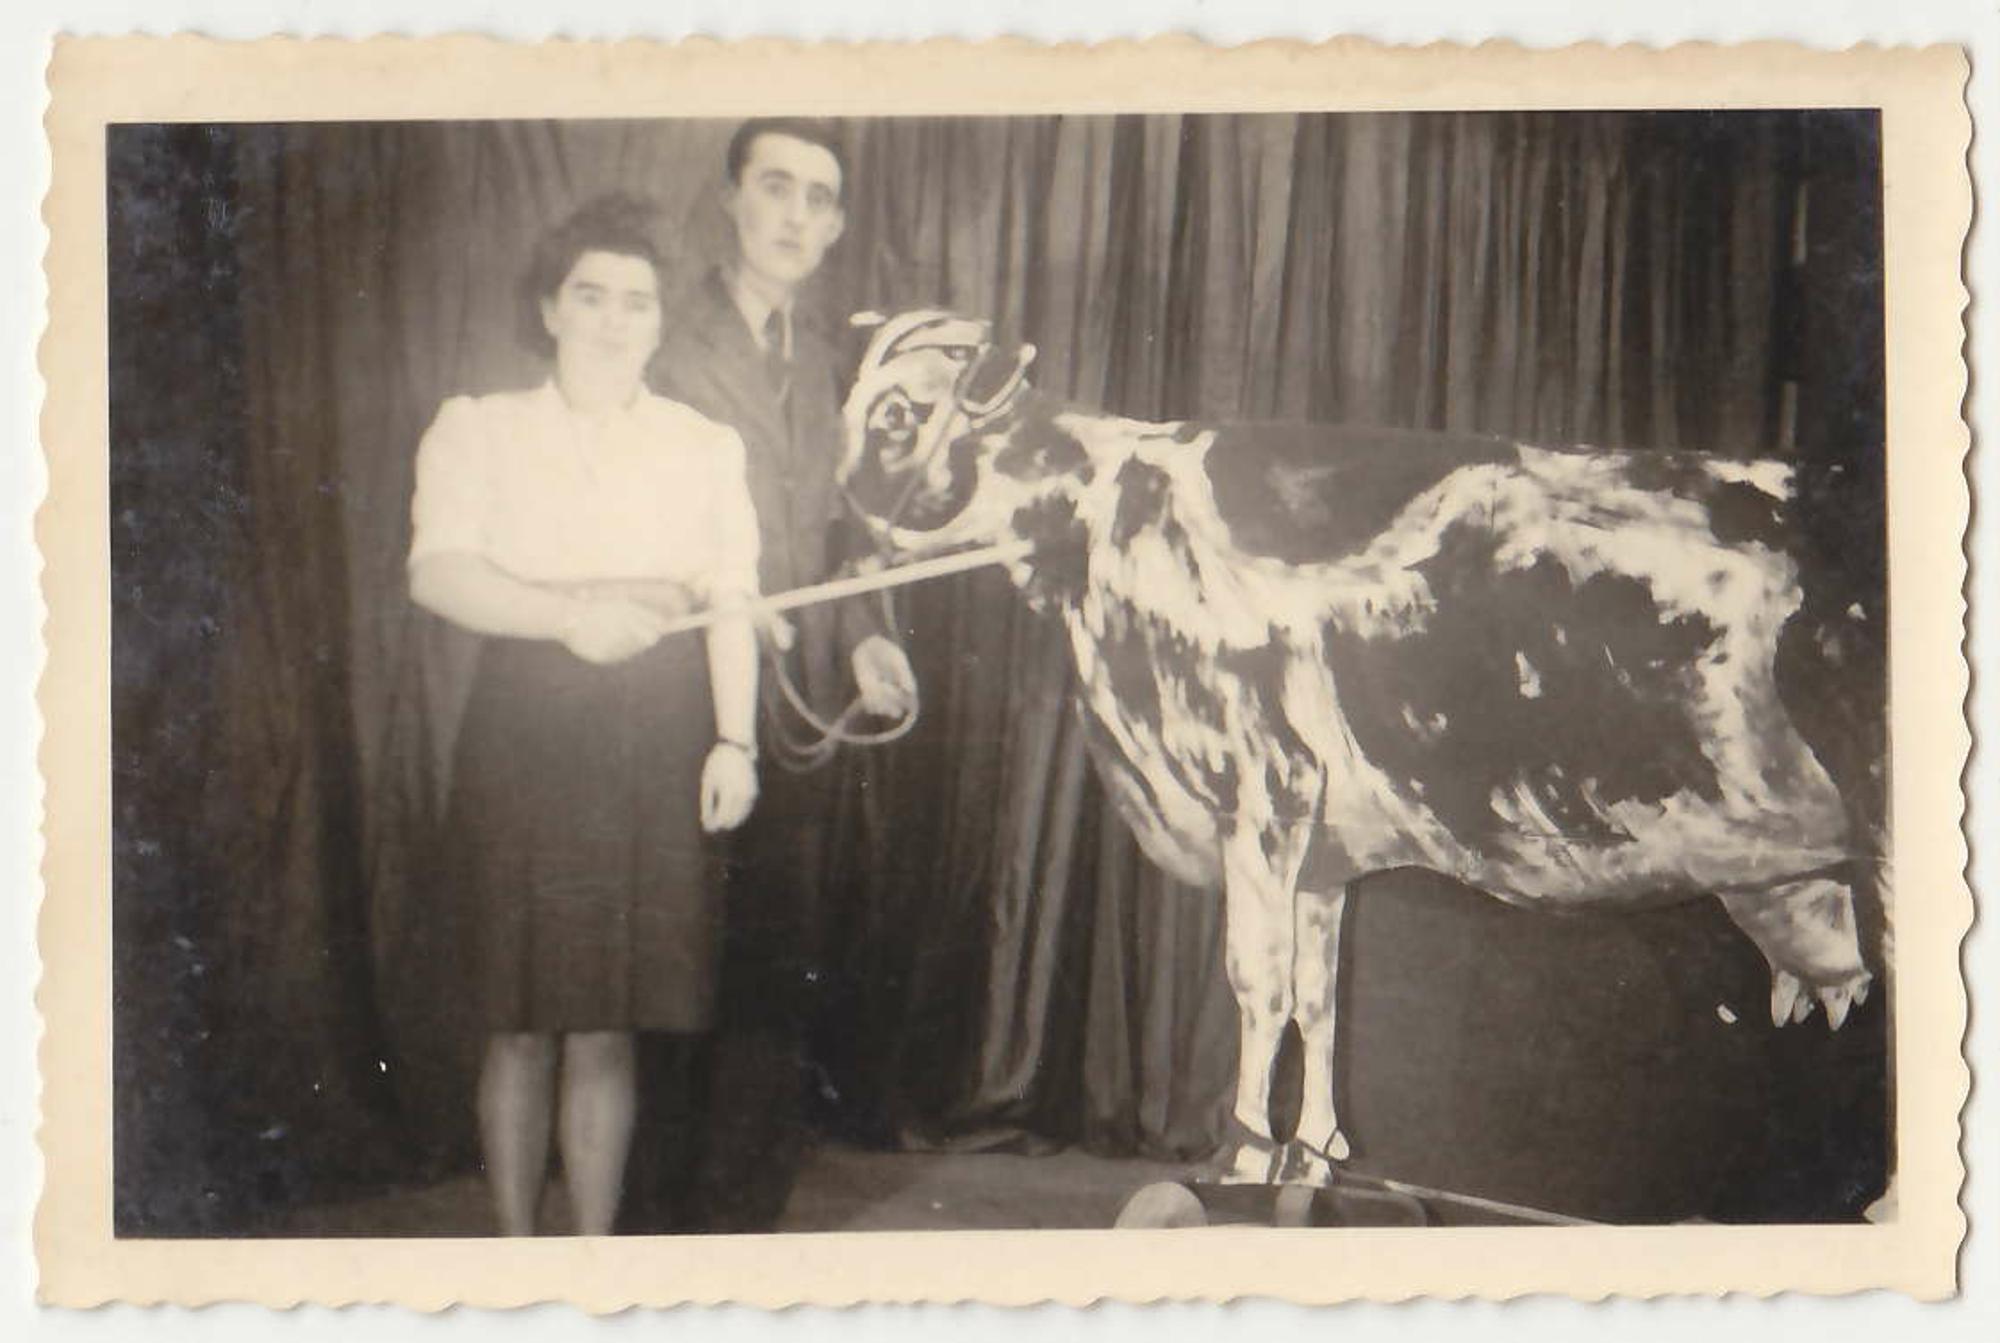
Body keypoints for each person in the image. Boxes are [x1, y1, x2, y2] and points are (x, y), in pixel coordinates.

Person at [408, 193, 763, 1236]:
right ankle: (524, 1261)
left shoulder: (705, 444)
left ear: (660, 322)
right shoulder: (479, 426)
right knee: (518, 1018)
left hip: (656, 729)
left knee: (610, 1019)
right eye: (591, 296)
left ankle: (590, 1268)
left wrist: (735, 739)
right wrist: (568, 618)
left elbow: (731, 601)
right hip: (527, 725)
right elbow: (437, 570)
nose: (614, 321)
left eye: (637, 302)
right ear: (550, 309)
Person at [628, 118, 916, 1233]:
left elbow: (843, 528)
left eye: (818, 198)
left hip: (796, 706)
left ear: (836, 226)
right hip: (677, 689)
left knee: (776, 957)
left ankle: (739, 1229)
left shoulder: (833, 362)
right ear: (731, 199)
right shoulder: (661, 334)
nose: (796, 215)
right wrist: (713, 598)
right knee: (675, 954)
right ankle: (651, 1232)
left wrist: (866, 636)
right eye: (776, 187)